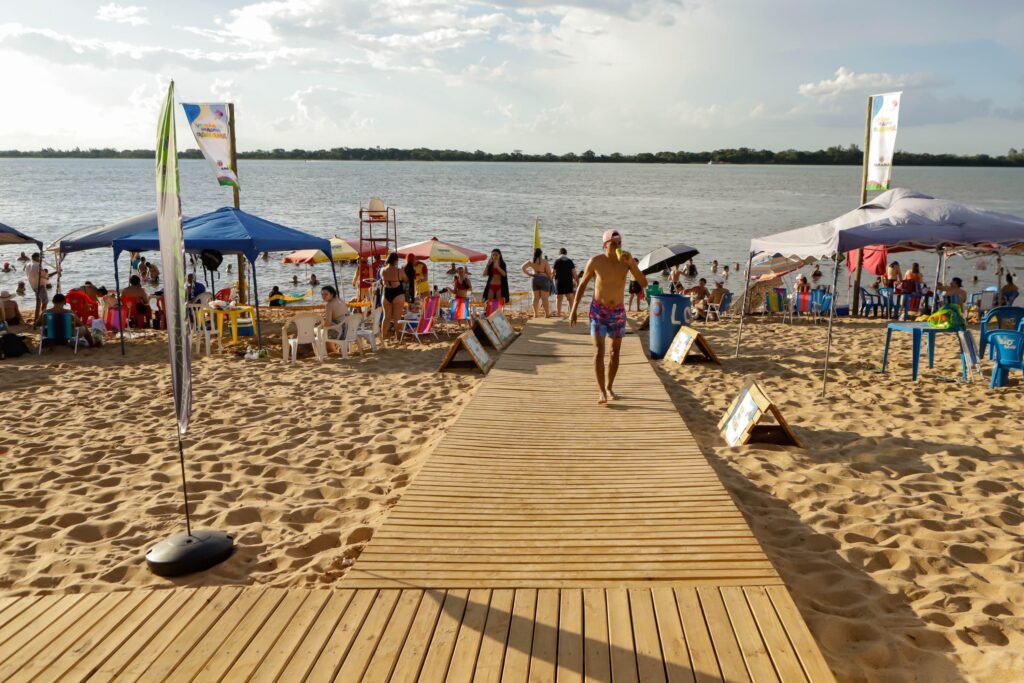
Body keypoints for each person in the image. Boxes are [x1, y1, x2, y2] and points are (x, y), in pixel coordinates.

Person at [569, 229, 646, 405]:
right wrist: (573, 309)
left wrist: (632, 264)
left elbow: (643, 283)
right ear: (605, 245)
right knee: (599, 351)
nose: (618, 247)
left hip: (618, 312)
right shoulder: (596, 261)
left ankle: (610, 386)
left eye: (620, 244)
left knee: (614, 352)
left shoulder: (626, 262)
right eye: (613, 244)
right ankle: (601, 391)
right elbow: (582, 285)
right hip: (598, 311)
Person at [379, 252, 407, 342]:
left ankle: (383, 337)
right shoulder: (399, 271)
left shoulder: (382, 270)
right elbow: (406, 280)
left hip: (386, 293)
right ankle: (398, 337)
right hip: (397, 294)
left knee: (386, 317)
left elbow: (381, 280)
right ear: (396, 260)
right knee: (397, 317)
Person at [522, 248, 554, 318]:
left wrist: (530, 274)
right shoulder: (544, 261)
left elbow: (523, 268)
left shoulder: (531, 261)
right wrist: (551, 279)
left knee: (535, 298)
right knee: (544, 298)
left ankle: (535, 314)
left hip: (535, 279)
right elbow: (549, 272)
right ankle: (547, 314)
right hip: (544, 279)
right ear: (541, 254)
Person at [319, 285, 347, 351]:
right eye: (322, 294)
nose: (323, 296)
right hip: (347, 328)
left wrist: (321, 327)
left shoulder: (329, 304)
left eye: (326, 294)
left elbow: (328, 322)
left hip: (340, 331)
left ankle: (333, 351)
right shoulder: (340, 300)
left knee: (323, 333)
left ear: (332, 294)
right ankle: (337, 349)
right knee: (327, 329)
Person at [552, 248, 577, 316]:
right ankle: (571, 313)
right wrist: (577, 281)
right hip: (568, 282)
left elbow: (553, 273)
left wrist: (550, 280)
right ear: (566, 253)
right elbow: (574, 273)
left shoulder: (557, 261)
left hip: (559, 282)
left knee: (559, 299)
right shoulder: (570, 261)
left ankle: (558, 313)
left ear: (559, 253)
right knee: (570, 299)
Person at [25, 252, 48, 319]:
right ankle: (43, 317)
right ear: (35, 257)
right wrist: (46, 274)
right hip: (40, 285)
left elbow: (28, 275)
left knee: (38, 301)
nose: (40, 259)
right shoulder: (38, 265)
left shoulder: (28, 264)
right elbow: (43, 275)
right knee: (45, 301)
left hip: (33, 285)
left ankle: (36, 317)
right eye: (39, 257)